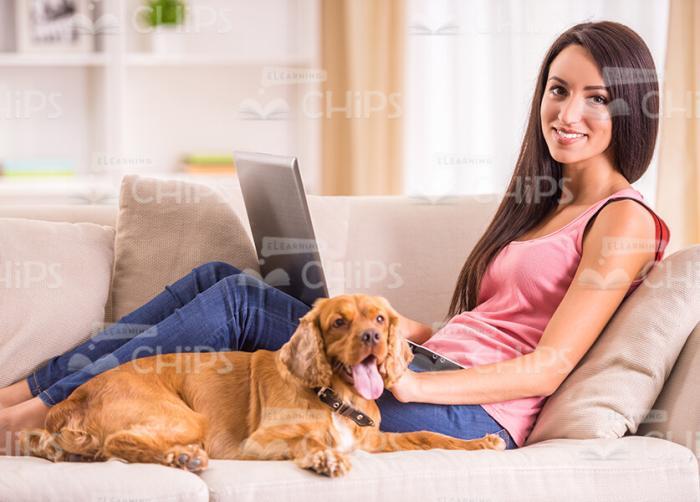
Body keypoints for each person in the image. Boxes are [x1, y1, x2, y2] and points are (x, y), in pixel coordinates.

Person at [0, 20, 670, 455]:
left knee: (234, 297)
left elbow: (549, 365)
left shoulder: (623, 218)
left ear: (630, 107)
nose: (568, 112)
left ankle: (27, 410)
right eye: (558, 90)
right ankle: (30, 392)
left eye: (596, 97)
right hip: (434, 369)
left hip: (475, 413)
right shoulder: (543, 204)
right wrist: (414, 331)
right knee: (216, 282)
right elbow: (495, 324)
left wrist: (410, 386)